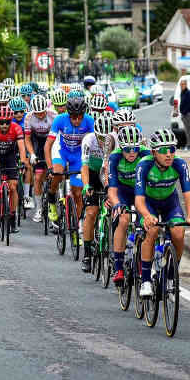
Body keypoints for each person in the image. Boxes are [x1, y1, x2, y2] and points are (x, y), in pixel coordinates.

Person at [133, 128, 190, 298]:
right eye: (164, 150)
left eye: (172, 149)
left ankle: (171, 276)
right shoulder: (144, 165)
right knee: (153, 230)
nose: (169, 154)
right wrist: (147, 215)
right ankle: (146, 281)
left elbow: (188, 195)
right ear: (154, 152)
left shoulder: (180, 164)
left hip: (170, 203)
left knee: (178, 233)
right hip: (149, 204)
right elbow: (139, 200)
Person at [44, 97, 94, 241]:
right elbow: (48, 146)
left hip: (78, 155)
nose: (77, 121)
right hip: (61, 151)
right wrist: (49, 167)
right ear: (68, 114)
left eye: (80, 117)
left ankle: (75, 225)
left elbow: (94, 143)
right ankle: (52, 201)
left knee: (78, 193)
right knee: (57, 174)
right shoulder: (60, 119)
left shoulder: (90, 121)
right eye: (73, 117)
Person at [106, 126, 150, 286]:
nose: (132, 152)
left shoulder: (146, 154)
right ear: (121, 148)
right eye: (127, 149)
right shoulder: (115, 157)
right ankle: (118, 268)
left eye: (135, 148)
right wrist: (117, 204)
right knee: (123, 220)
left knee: (146, 224)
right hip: (122, 191)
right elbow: (112, 189)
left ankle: (143, 261)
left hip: (141, 191)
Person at [0, 106, 30, 233]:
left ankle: (12, 217)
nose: (4, 125)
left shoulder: (17, 128)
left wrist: (24, 162)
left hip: (9, 156)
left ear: (11, 121)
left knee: (13, 187)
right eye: (1, 122)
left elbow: (21, 148)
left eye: (7, 122)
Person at [79, 113, 116, 272]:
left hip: (109, 173)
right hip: (94, 174)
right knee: (91, 212)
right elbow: (85, 166)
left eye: (106, 138)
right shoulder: (88, 140)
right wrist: (87, 185)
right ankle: (87, 254)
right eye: (101, 138)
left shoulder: (116, 141)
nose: (104, 142)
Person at [25, 94, 56, 223]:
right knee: (37, 177)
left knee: (53, 174)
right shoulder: (28, 117)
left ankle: (52, 202)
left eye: (42, 112)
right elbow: (27, 139)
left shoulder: (53, 115)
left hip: (52, 140)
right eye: (37, 113)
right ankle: (38, 208)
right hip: (36, 141)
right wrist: (32, 154)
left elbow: (58, 138)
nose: (41, 115)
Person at [179, 80, 190, 151]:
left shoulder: (188, 93)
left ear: (186, 85)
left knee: (188, 130)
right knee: (186, 131)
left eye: (183, 84)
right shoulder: (182, 93)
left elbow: (189, 105)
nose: (182, 86)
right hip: (183, 114)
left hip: (187, 114)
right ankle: (188, 144)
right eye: (181, 85)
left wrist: (184, 112)